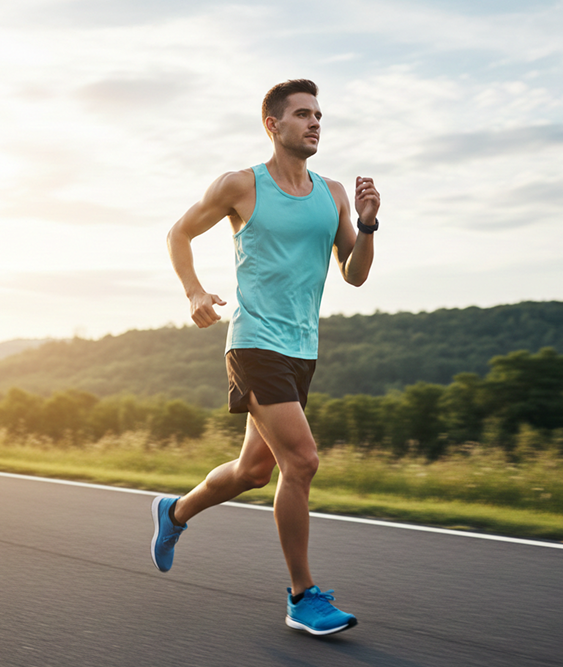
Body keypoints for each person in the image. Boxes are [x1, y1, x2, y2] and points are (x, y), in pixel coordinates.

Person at [152, 79, 379, 636]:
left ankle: (174, 512)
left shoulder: (333, 195)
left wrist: (369, 225)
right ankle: (303, 596)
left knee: (256, 471)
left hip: (303, 350)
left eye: (319, 114)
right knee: (300, 461)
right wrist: (195, 292)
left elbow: (354, 274)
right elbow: (179, 233)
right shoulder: (241, 185)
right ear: (273, 125)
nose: (315, 122)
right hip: (254, 343)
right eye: (302, 114)